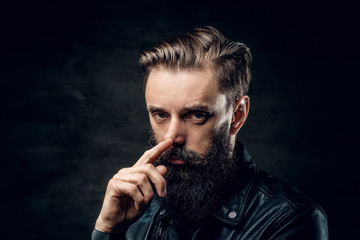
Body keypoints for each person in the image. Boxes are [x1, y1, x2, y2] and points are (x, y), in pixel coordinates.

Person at [92, 26, 328, 240]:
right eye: (160, 115)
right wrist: (108, 231)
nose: (171, 138)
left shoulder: (289, 220)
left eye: (196, 115)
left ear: (237, 116)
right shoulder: (136, 207)